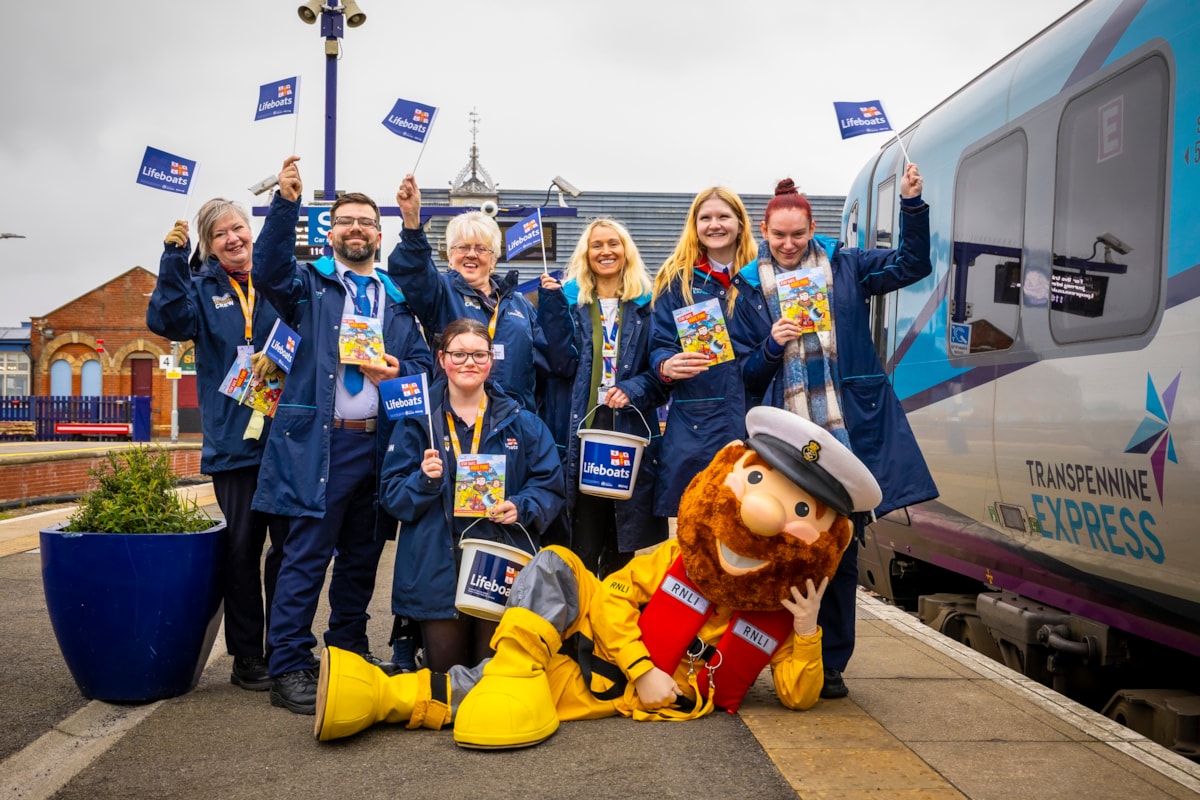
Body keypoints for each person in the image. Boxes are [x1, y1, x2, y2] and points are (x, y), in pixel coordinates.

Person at [313, 406, 883, 748]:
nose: (763, 516)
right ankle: (511, 674)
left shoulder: (782, 614)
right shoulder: (675, 560)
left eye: (803, 513)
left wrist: (807, 628)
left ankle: (376, 696)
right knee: (557, 564)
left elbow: (797, 697)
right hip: (604, 648)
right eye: (760, 485)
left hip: (598, 689)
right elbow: (613, 595)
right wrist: (643, 667)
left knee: (481, 689)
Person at [730, 163, 939, 699]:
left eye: (798, 234)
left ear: (812, 227)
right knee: (781, 550)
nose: (789, 244)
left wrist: (912, 203)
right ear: (765, 231)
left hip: (846, 437)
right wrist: (772, 343)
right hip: (784, 442)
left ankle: (833, 661)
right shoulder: (749, 288)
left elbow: (912, 264)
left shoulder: (846, 267)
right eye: (779, 235)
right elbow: (747, 374)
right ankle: (778, 654)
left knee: (840, 552)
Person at [250, 156, 434, 715]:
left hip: (378, 444)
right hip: (318, 443)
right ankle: (289, 665)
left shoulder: (395, 298)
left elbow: (424, 369)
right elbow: (267, 270)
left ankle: (349, 647)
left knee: (360, 557)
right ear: (330, 233)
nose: (356, 229)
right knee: (306, 556)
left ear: (379, 234)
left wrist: (396, 372)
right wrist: (284, 204)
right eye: (345, 222)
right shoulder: (308, 284)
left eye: (366, 222)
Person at [146, 198, 289, 693]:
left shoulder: (279, 280)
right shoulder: (202, 289)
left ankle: (287, 650)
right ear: (208, 244)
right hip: (235, 443)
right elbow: (167, 321)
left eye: (239, 228)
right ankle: (248, 656)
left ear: (251, 231)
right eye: (221, 234)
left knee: (290, 551)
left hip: (287, 439)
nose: (234, 239)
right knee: (242, 551)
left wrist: (284, 352)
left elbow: (312, 328)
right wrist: (172, 258)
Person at [378, 318, 567, 673]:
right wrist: (423, 480)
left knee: (492, 676)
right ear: (442, 358)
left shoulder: (521, 421)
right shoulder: (417, 421)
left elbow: (549, 485)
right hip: (436, 566)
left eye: (479, 355)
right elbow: (392, 496)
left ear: (491, 360)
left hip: (497, 563)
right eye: (459, 354)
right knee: (448, 681)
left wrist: (521, 506)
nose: (469, 362)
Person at [538, 218, 668, 576]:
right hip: (580, 434)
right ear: (586, 254)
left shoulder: (649, 305)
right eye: (597, 245)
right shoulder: (567, 302)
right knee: (581, 541)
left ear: (626, 251)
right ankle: (578, 630)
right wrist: (550, 308)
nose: (606, 251)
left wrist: (632, 389)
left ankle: (611, 626)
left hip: (627, 433)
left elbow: (661, 375)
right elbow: (558, 364)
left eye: (614, 243)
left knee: (621, 546)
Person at [389, 173, 575, 411]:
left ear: (494, 260)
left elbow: (557, 363)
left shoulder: (520, 304)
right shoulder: (440, 292)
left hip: (512, 422)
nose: (471, 254)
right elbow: (413, 270)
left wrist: (554, 308)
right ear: (449, 256)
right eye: (462, 247)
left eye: (481, 248)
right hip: (454, 419)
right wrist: (412, 222)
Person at [649, 187, 758, 516]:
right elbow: (659, 342)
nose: (715, 225)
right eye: (705, 218)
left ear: (740, 222)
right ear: (694, 225)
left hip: (756, 413)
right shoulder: (676, 279)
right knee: (697, 524)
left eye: (723, 216)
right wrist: (667, 363)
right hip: (697, 422)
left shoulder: (761, 273)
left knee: (754, 522)